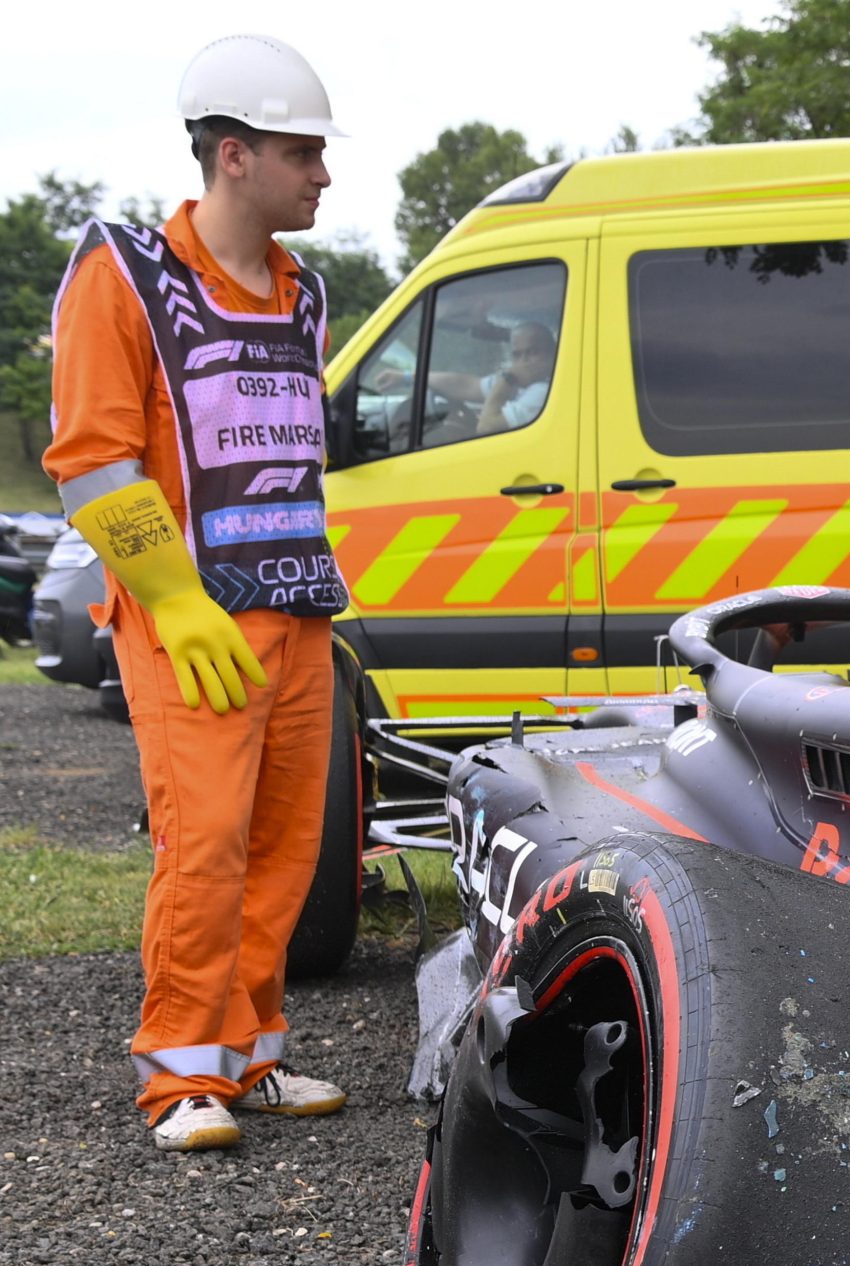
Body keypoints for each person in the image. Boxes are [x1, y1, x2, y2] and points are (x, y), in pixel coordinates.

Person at [45, 34, 352, 1152]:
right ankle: (180, 1076)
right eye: (302, 152)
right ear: (234, 155)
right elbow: (90, 456)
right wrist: (171, 597)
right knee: (206, 843)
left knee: (284, 847)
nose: (322, 174)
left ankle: (248, 1053)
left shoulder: (303, 291)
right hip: (192, 617)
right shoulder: (122, 276)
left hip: (297, 605)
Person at [426, 319, 557, 439]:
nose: (523, 361)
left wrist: (508, 379)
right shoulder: (519, 379)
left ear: (552, 353)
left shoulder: (545, 391)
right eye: (517, 355)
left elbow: (486, 428)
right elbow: (467, 386)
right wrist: (412, 379)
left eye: (533, 352)